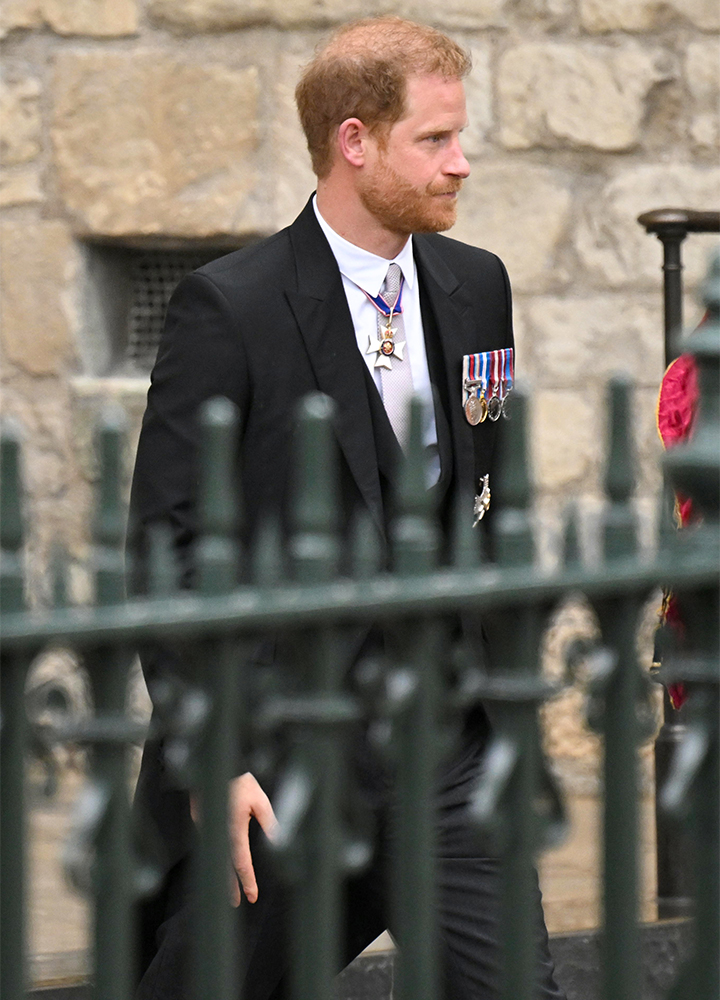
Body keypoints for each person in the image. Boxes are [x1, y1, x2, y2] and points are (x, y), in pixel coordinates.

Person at [128, 16, 566, 999]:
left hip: (450, 751)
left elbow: (483, 486)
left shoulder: (476, 282)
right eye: (435, 140)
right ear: (354, 141)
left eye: (462, 135)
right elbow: (172, 544)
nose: (463, 161)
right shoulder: (228, 306)